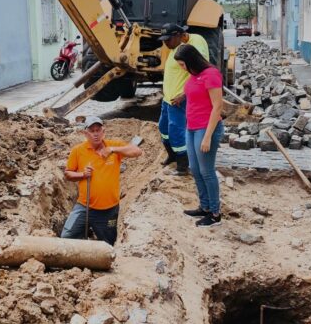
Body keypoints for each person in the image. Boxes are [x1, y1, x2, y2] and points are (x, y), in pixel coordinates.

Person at [61, 116, 142, 245]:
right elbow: (68, 174)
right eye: (92, 131)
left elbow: (137, 151)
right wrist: (82, 174)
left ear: (103, 131)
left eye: (98, 130)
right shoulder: (78, 151)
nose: (95, 134)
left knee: (108, 244)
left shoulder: (113, 146)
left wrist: (112, 150)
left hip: (109, 210)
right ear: (85, 133)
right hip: (85, 207)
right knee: (66, 237)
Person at [174, 44, 224, 228]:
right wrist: (182, 96)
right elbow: (196, 92)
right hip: (192, 127)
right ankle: (204, 206)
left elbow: (217, 106)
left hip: (206, 128)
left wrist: (208, 136)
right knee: (195, 169)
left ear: (190, 60)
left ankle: (215, 213)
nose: (182, 68)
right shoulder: (195, 74)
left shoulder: (211, 75)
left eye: (182, 64)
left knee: (207, 171)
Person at [158, 23, 209, 175]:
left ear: (178, 35)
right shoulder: (175, 48)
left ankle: (183, 165)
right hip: (168, 99)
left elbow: (199, 74)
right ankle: (172, 156)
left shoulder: (192, 47)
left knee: (176, 131)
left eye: (168, 39)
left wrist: (184, 94)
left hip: (179, 100)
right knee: (163, 129)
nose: (165, 43)